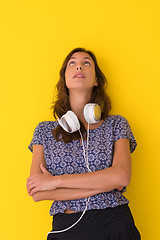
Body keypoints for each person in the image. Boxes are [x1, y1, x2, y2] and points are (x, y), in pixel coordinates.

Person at [27, 47, 141, 240]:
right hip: (67, 228)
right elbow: (37, 192)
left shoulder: (117, 124)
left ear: (96, 80)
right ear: (65, 78)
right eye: (72, 63)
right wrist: (106, 183)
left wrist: (55, 182)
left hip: (115, 222)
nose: (79, 65)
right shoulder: (44, 131)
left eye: (86, 62)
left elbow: (121, 176)